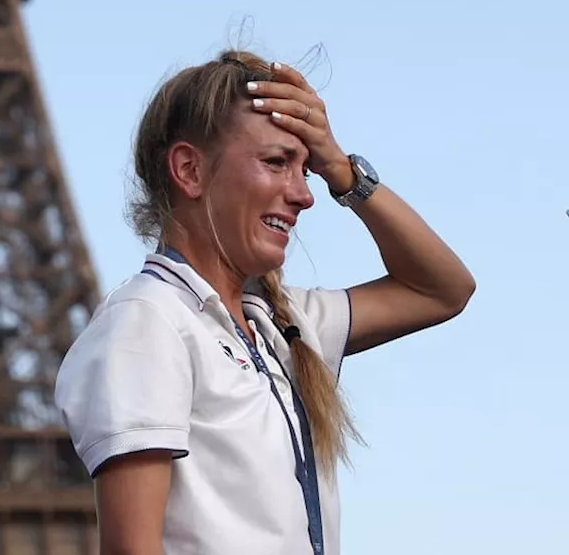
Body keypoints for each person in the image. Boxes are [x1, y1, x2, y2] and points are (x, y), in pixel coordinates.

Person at [53, 50, 475, 555]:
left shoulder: (285, 323)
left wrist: (342, 170)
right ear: (190, 170)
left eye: (306, 170)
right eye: (276, 163)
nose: (304, 194)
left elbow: (444, 288)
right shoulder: (148, 322)